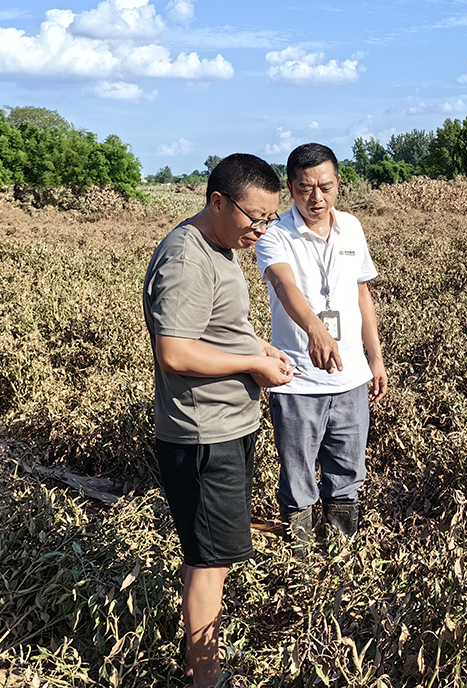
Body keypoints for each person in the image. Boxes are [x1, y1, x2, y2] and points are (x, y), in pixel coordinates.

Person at [142, 153, 294, 688]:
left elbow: (219, 329)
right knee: (210, 564)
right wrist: (253, 363)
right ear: (218, 202)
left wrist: (261, 348)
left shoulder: (223, 246)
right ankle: (206, 680)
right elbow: (176, 353)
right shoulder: (187, 259)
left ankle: (199, 665)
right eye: (255, 217)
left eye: (272, 218)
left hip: (226, 425)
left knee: (209, 555)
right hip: (203, 435)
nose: (263, 228)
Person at [254, 142, 387, 546]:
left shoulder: (352, 227)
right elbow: (284, 283)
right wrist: (314, 328)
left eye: (325, 187)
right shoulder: (274, 236)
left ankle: (342, 553)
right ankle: (301, 562)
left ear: (338, 183)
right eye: (305, 188)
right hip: (296, 379)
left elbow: (362, 294)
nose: (317, 198)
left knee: (348, 474)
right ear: (290, 188)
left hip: (349, 377)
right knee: (297, 477)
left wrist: (375, 359)